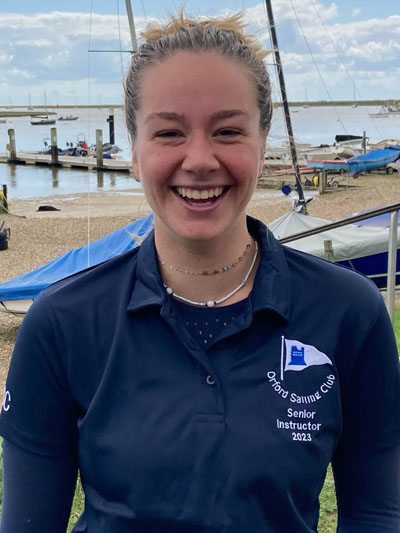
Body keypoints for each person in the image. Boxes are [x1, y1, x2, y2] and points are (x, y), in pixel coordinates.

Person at [1, 12, 399, 532]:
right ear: (135, 153)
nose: (199, 159)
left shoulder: (349, 312)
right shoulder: (61, 322)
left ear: (263, 145)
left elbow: (376, 512)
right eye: (169, 132)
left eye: (228, 130)